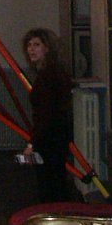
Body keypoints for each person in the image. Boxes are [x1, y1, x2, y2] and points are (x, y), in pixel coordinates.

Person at [21, 27, 74, 203]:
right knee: (55, 181)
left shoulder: (48, 76)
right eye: (29, 45)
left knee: (49, 183)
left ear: (47, 48)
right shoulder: (52, 72)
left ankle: (52, 214)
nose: (31, 49)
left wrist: (33, 143)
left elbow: (45, 113)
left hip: (50, 137)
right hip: (56, 135)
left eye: (37, 45)